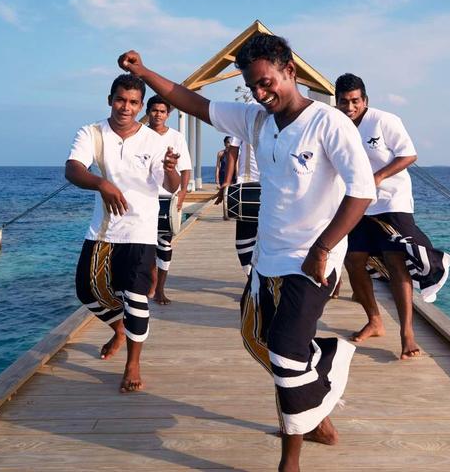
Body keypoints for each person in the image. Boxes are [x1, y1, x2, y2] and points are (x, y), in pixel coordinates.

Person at [118, 34, 376, 472]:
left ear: (289, 71)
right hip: (267, 259)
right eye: (253, 86)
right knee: (259, 341)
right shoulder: (256, 120)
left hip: (314, 262)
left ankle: (288, 460)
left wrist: (323, 247)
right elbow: (191, 102)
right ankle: (319, 406)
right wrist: (143, 73)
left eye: (267, 82)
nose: (260, 93)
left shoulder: (328, 124)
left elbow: (362, 191)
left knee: (286, 351)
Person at [65, 74, 180, 393]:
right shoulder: (92, 132)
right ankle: (118, 329)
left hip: (140, 231)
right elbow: (72, 168)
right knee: (86, 292)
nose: (125, 107)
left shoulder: (155, 141)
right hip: (103, 230)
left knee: (135, 298)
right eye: (120, 100)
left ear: (140, 105)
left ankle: (133, 363)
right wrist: (101, 183)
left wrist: (170, 169)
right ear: (109, 99)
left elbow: (171, 186)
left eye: (132, 102)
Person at [334, 73, 450, 360]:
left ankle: (407, 333)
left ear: (365, 100)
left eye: (355, 101)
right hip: (359, 201)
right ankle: (375, 320)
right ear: (336, 101)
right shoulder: (337, 125)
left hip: (392, 200)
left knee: (396, 261)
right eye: (344, 102)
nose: (350, 107)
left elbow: (409, 155)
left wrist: (378, 176)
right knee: (353, 259)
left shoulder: (384, 120)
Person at [146, 94, 192, 305]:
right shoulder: (140, 135)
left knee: (164, 246)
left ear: (168, 114)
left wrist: (182, 193)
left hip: (167, 198)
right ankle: (150, 286)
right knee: (145, 247)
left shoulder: (176, 137)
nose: (158, 115)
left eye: (162, 111)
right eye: (154, 110)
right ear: (148, 112)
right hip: (144, 197)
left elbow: (186, 168)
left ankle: (160, 289)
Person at [218, 135, 260, 275]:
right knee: (244, 240)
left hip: (276, 184)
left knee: (275, 239)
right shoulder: (243, 115)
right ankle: (252, 280)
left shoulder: (286, 115)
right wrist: (227, 181)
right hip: (248, 183)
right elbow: (233, 149)